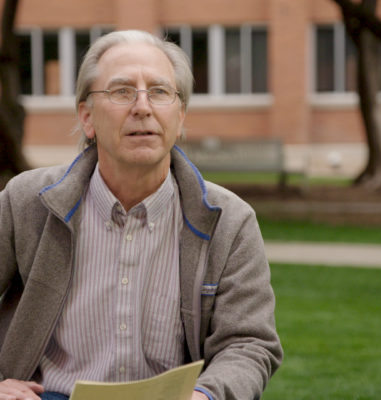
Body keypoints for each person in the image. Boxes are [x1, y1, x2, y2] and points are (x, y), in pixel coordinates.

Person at [0, 30, 283, 400]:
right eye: (121, 92)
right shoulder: (25, 203)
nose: (143, 107)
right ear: (87, 117)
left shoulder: (230, 221)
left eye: (160, 92)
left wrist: (206, 396)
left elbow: (249, 343)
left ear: (180, 116)